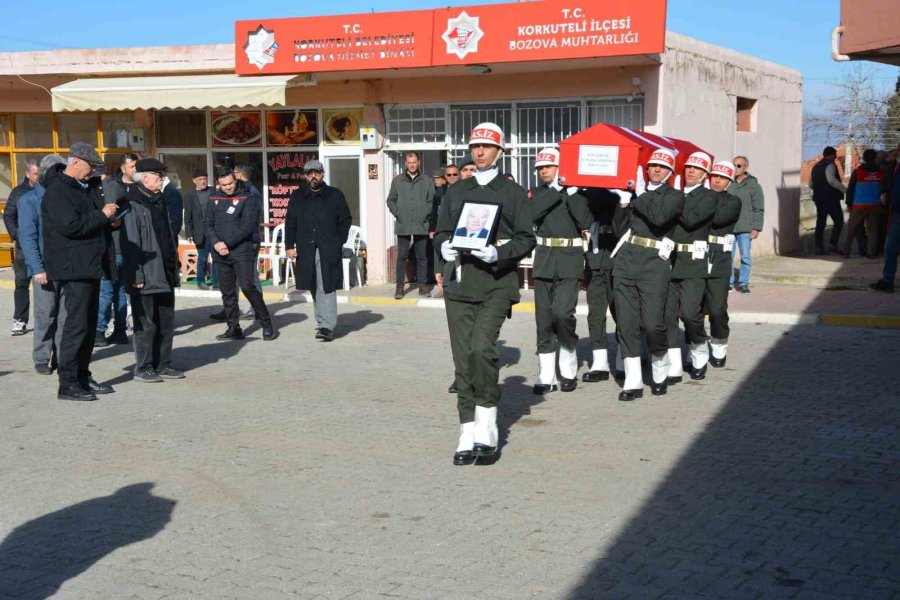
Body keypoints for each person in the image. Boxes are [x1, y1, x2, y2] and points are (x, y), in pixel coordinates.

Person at [435, 122, 536, 465]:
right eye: (475, 146)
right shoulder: (456, 190)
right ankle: (467, 431)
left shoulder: (512, 192)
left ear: (499, 151)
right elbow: (442, 230)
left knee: (481, 350)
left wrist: (500, 254)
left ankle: (488, 427)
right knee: (463, 360)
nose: (479, 152)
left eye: (486, 147)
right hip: (460, 281)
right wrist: (443, 246)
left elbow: (526, 237)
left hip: (495, 281)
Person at [42, 142, 119, 401]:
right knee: (76, 327)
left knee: (87, 327)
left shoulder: (81, 188)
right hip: (72, 268)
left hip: (88, 266)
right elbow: (71, 227)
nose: (93, 172)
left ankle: (82, 377)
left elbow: (89, 222)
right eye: (90, 166)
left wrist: (109, 220)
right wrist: (102, 215)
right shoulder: (57, 191)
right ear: (75, 162)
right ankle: (68, 383)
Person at [612, 148, 685, 401]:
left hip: (654, 263)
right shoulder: (636, 194)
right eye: (653, 165)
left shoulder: (674, 196)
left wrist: (639, 194)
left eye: (662, 167)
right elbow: (620, 228)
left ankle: (660, 366)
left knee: (653, 323)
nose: (656, 169)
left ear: (670, 172)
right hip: (626, 259)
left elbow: (659, 218)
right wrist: (623, 203)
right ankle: (633, 381)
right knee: (627, 322)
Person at [527, 147, 592, 394]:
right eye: (540, 168)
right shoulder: (538, 194)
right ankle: (546, 374)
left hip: (568, 259)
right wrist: (556, 191)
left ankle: (568, 360)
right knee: (543, 318)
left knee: (563, 313)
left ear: (560, 168)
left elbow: (585, 221)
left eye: (548, 167)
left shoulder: (576, 193)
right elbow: (532, 214)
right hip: (544, 259)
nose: (543, 171)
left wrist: (573, 194)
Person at [120, 158, 185, 383]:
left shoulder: (161, 200)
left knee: (166, 321)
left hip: (165, 270)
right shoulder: (132, 203)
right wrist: (136, 275)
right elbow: (130, 244)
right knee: (146, 324)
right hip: (145, 272)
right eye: (160, 177)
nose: (163, 180)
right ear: (146, 177)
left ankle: (163, 364)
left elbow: (168, 235)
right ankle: (143, 367)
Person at [664, 152, 719, 384]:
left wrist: (675, 200)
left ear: (705, 174)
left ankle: (698, 348)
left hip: (694, 262)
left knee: (689, 313)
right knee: (667, 316)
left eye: (696, 169)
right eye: (687, 168)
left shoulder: (709, 197)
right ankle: (674, 362)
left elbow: (691, 220)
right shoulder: (674, 194)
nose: (690, 172)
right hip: (669, 259)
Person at [284, 160, 352, 342]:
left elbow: (345, 220)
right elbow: (290, 222)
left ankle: (327, 326)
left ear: (322, 174)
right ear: (305, 176)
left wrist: (339, 241)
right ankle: (321, 321)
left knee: (327, 284)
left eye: (317, 172)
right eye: (309, 173)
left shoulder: (335, 195)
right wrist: (289, 246)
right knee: (313, 284)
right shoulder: (297, 197)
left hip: (328, 248)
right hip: (306, 248)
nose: (313, 176)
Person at [205, 169, 277, 341]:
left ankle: (266, 323)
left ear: (235, 180)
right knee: (227, 291)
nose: (227, 187)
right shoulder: (213, 198)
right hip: (219, 253)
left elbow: (247, 226)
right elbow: (207, 223)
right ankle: (233, 327)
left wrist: (226, 243)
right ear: (218, 184)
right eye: (223, 185)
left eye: (230, 183)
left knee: (247, 287)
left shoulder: (248, 198)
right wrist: (216, 242)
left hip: (241, 250)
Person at [17, 155, 67, 375]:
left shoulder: (65, 198)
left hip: (66, 267)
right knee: (46, 314)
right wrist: (37, 268)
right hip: (44, 269)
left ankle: (62, 356)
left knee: (65, 316)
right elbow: (27, 237)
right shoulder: (28, 201)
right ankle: (41, 357)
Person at [95, 153, 137, 347]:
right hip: (123, 248)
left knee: (105, 291)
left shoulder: (98, 190)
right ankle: (120, 331)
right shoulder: (120, 189)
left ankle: (99, 331)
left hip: (108, 249)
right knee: (120, 291)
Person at [704, 161, 743, 367]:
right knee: (694, 308)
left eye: (722, 178)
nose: (717, 180)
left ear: (729, 181)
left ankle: (719, 343)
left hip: (719, 256)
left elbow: (718, 219)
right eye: (714, 176)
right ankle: (697, 346)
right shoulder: (699, 197)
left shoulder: (733, 201)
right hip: (698, 256)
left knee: (717, 308)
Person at [581, 187, 619, 383]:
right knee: (595, 313)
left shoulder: (624, 187)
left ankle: (625, 357)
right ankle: (600, 363)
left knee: (621, 311)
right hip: (595, 256)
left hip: (618, 252)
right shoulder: (588, 190)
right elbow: (583, 214)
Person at [387, 151, 434, 299]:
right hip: (404, 224)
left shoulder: (426, 181)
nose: (412, 165)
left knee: (422, 257)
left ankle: (423, 286)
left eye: (414, 162)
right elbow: (391, 200)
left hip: (421, 224)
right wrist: (398, 213)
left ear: (418, 163)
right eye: (409, 162)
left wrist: (425, 214)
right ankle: (400, 287)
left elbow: (430, 202)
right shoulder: (397, 181)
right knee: (402, 256)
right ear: (405, 164)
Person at [4, 159, 39, 336]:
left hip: (43, 246)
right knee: (21, 284)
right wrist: (17, 235)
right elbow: (8, 215)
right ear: (27, 174)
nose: (38, 177)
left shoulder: (47, 191)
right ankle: (20, 320)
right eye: (35, 174)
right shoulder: (18, 193)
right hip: (23, 247)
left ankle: (47, 320)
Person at [840, 148, 885, 258]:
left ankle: (846, 251)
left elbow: (851, 189)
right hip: (875, 205)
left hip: (859, 205)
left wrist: (849, 204)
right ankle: (871, 252)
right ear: (875, 158)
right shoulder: (881, 172)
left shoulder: (858, 172)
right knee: (873, 230)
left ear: (864, 158)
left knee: (851, 228)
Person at [729, 156, 764, 293]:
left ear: (745, 168)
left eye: (738, 166)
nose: (735, 168)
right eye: (734, 165)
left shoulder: (753, 186)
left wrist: (756, 227)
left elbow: (759, 208)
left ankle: (743, 283)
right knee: (727, 257)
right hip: (729, 228)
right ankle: (729, 283)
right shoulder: (728, 184)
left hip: (746, 228)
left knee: (745, 257)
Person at [870, 150, 900, 293]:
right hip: (896, 212)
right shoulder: (895, 168)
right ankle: (887, 281)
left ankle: (887, 281)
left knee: (891, 248)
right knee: (890, 248)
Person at [183, 168, 216, 290]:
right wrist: (188, 232)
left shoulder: (213, 192)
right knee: (202, 258)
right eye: (200, 179)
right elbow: (188, 216)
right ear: (194, 181)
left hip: (214, 231)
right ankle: (201, 282)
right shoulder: (190, 196)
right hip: (199, 232)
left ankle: (217, 283)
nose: (203, 181)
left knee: (217, 258)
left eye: (205, 179)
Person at [810, 147, 845, 256]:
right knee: (838, 221)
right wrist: (845, 190)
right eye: (834, 155)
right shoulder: (830, 165)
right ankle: (832, 245)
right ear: (831, 154)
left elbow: (811, 184)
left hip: (819, 198)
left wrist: (818, 191)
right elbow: (831, 180)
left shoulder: (816, 166)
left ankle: (818, 247)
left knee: (820, 223)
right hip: (831, 198)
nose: (835, 158)